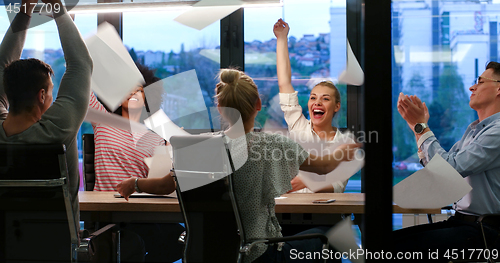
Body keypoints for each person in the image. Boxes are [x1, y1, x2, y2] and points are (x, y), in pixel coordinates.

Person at [119, 68, 361, 263]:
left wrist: (135, 183)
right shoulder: (272, 144)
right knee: (330, 235)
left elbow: (163, 185)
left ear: (219, 107)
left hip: (208, 255)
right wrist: (347, 148)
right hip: (259, 254)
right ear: (258, 105)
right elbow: (323, 166)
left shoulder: (202, 148)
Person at [395, 62, 500, 261]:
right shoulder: (475, 132)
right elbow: (440, 170)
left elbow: (448, 170)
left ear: (499, 88)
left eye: (480, 81)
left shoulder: (497, 132)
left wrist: (421, 127)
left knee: (391, 248)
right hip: (464, 224)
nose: (472, 87)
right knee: (385, 243)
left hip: (485, 233)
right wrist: (418, 127)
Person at [0, 0, 92, 219]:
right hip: (58, 249)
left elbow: (2, 64)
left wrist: (25, 10)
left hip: (5, 249)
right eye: (51, 91)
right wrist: (57, 6)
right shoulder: (58, 130)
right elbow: (81, 64)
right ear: (42, 96)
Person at [90, 64, 184, 262]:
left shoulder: (157, 135)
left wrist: (171, 148)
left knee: (182, 239)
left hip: (142, 209)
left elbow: (163, 176)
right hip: (109, 209)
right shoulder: (103, 121)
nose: (132, 93)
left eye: (139, 90)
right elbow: (81, 88)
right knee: (139, 241)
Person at [274, 19, 351, 193]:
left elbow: (337, 187)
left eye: (325, 99)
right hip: (291, 212)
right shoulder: (298, 126)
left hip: (325, 215)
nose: (317, 102)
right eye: (313, 97)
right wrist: (281, 39)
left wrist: (308, 181)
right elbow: (284, 83)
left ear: (336, 106)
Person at [89, 63, 167, 192]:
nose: (132, 92)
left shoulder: (156, 139)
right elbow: (81, 85)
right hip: (103, 205)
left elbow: (160, 181)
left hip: (138, 205)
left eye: (138, 90)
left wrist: (170, 144)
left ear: (146, 101)